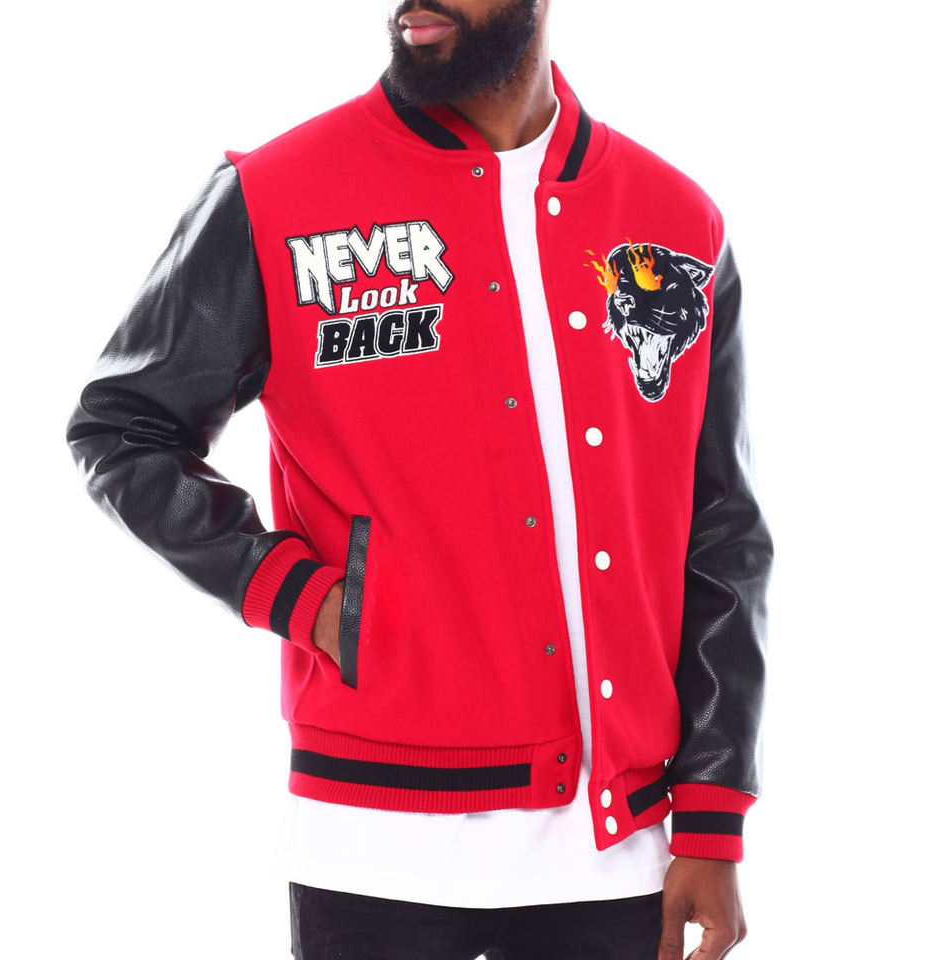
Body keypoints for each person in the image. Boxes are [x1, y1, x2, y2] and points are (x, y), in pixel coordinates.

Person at [65, 1, 774, 957]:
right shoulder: (275, 195)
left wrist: (714, 815)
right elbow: (123, 427)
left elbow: (721, 528)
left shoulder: (677, 222)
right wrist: (297, 594)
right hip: (370, 845)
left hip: (618, 851)